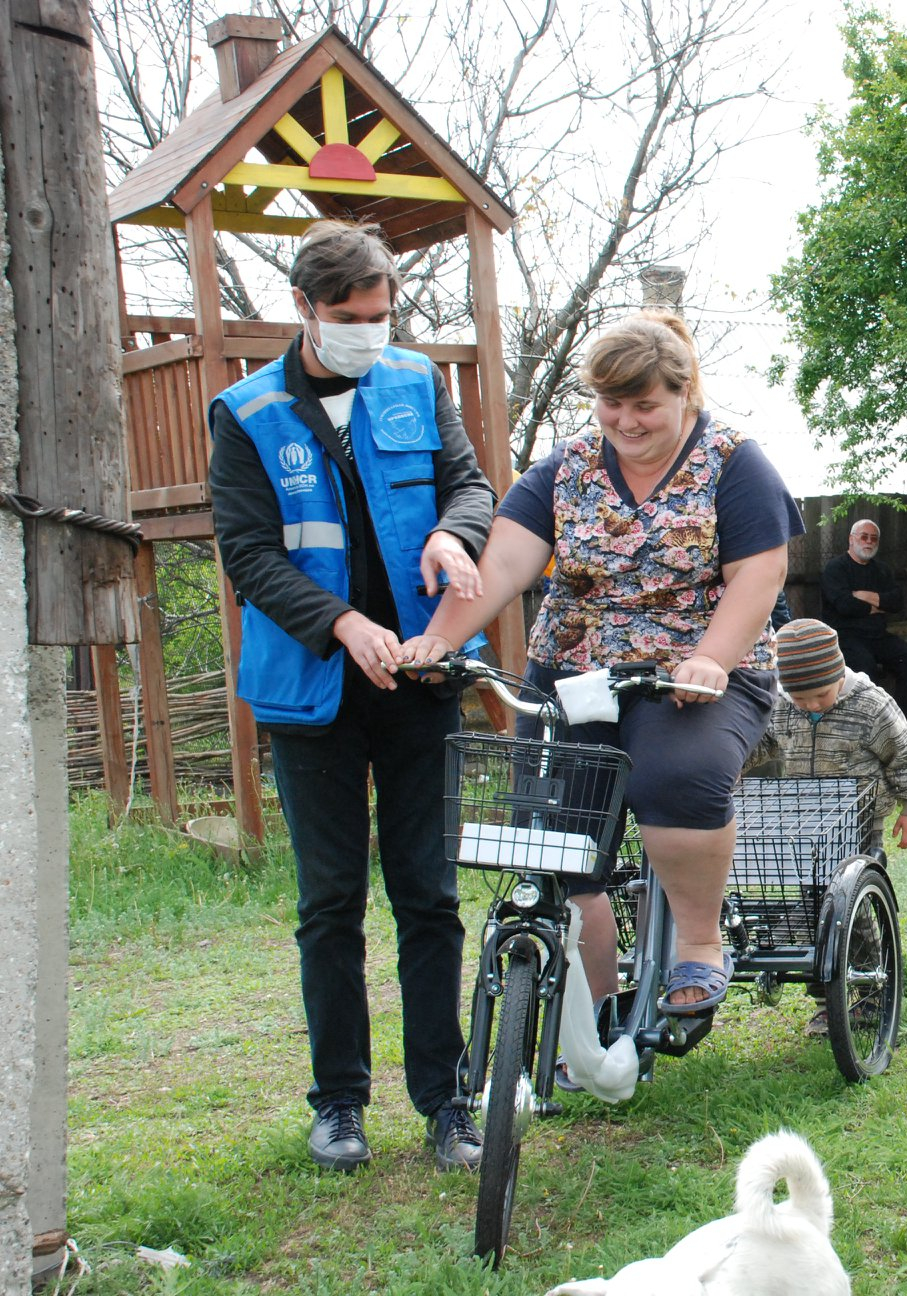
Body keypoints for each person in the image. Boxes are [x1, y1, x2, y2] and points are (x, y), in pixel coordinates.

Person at [401, 310, 801, 1018]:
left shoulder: (734, 464)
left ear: (684, 394)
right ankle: (588, 1015)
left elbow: (760, 575)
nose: (627, 421)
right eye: (611, 403)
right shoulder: (567, 467)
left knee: (676, 777)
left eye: (644, 404)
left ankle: (701, 944)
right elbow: (501, 567)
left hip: (694, 672)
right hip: (574, 670)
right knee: (558, 836)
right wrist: (438, 639)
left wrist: (710, 658)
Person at [206, 220, 492, 1174]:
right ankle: (338, 1104)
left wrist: (455, 535)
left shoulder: (418, 382)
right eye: (351, 317)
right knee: (330, 904)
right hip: (313, 696)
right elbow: (247, 554)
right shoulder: (244, 414)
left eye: (383, 314)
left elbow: (472, 488)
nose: (371, 331)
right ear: (305, 310)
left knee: (431, 898)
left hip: (421, 679)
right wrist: (340, 622)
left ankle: (446, 1103)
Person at [766, 618, 907, 1034]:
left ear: (839, 674)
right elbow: (759, 745)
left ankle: (871, 990)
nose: (811, 705)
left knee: (848, 910)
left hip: (858, 824)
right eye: (800, 698)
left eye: (819, 695)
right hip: (804, 826)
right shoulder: (782, 704)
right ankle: (827, 995)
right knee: (811, 908)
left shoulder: (871, 706)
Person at [820, 519, 907, 723]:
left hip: (878, 636)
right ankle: (869, 723)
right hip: (846, 636)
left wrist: (862, 596)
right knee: (865, 666)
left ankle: (899, 722)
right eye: (864, 537)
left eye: (873, 538)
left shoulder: (882, 570)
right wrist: (877, 604)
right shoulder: (835, 569)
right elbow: (844, 605)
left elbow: (896, 602)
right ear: (851, 539)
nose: (869, 542)